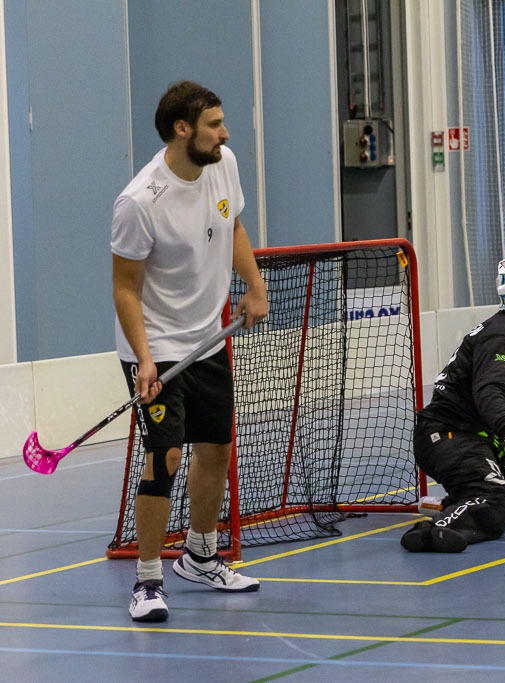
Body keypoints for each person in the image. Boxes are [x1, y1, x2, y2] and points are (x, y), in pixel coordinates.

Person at [111, 81, 269, 622]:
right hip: (155, 346)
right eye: (214, 124)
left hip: (207, 339)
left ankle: (200, 556)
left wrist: (254, 285)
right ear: (182, 129)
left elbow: (234, 226)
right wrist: (143, 358)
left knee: (216, 449)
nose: (225, 133)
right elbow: (125, 288)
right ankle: (147, 580)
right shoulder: (139, 202)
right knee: (166, 456)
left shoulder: (223, 165)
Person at [400, 255, 505, 553]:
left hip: (475, 438)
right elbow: (489, 390)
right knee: (496, 499)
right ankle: (433, 531)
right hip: (451, 435)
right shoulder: (503, 338)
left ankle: (453, 504)